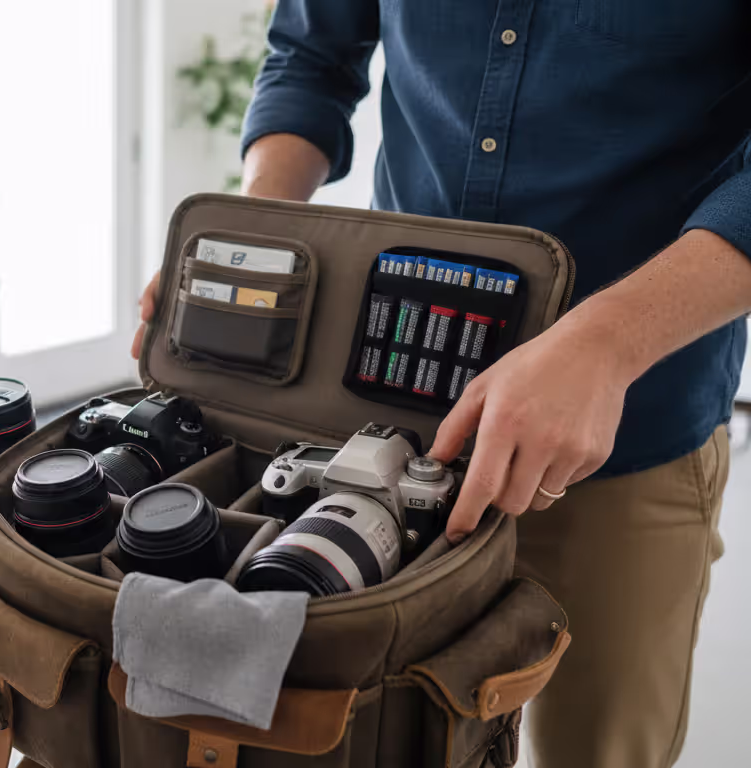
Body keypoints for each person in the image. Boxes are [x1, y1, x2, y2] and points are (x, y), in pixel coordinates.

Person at [131, 3, 749, 767]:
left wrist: (605, 343)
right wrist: (255, 236)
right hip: (386, 401)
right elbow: (311, 54)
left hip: (628, 435)